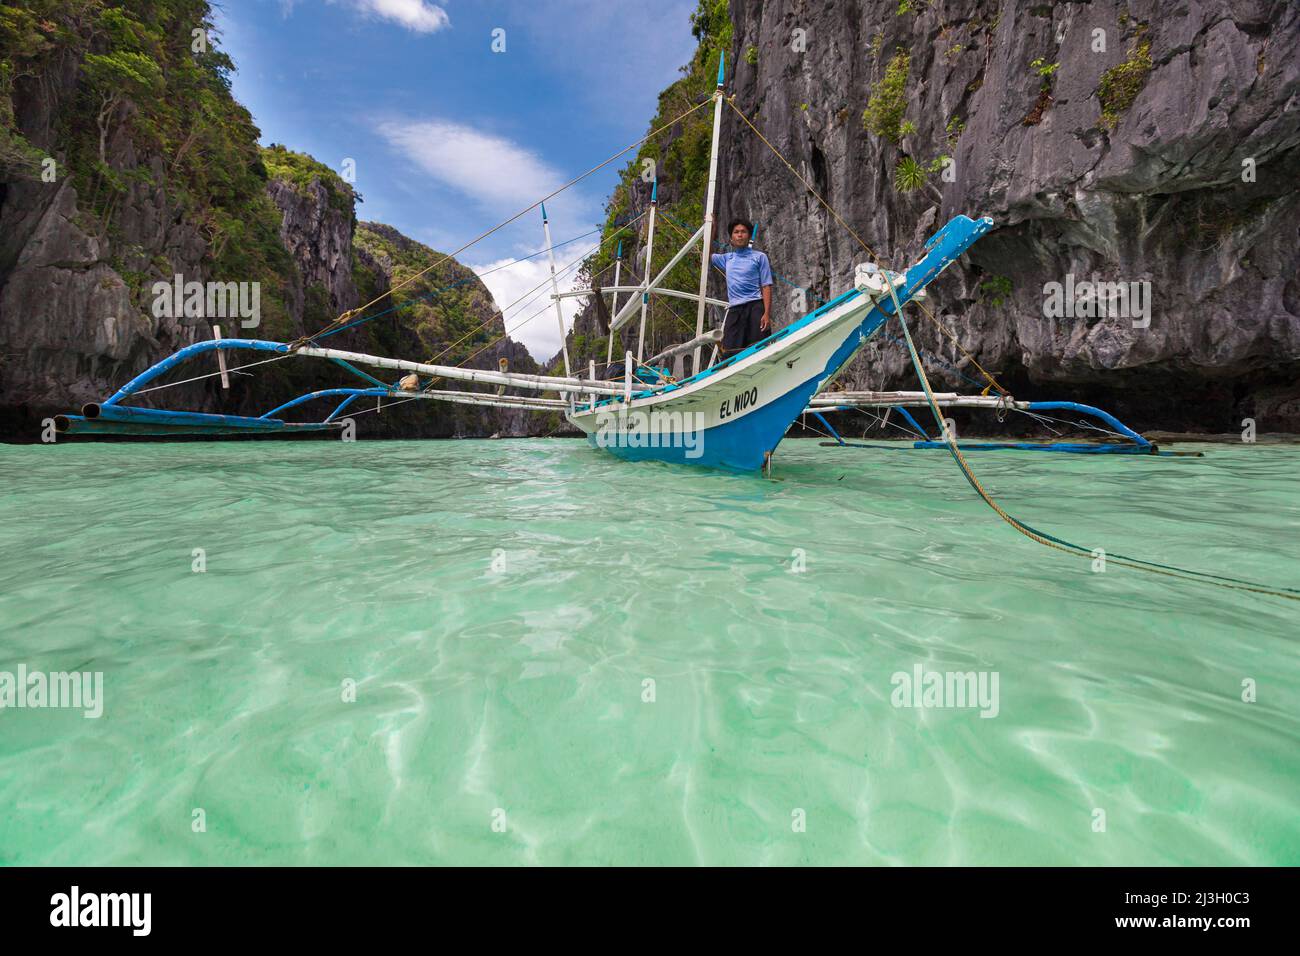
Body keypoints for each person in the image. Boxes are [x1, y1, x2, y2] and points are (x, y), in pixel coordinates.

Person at [710, 218, 773, 358]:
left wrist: (766, 314)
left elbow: (766, 285)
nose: (739, 235)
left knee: (760, 347)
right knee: (729, 352)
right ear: (731, 238)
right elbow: (707, 255)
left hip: (755, 306)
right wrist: (712, 228)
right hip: (735, 309)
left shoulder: (759, 257)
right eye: (736, 232)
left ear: (749, 236)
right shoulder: (727, 259)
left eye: (743, 232)